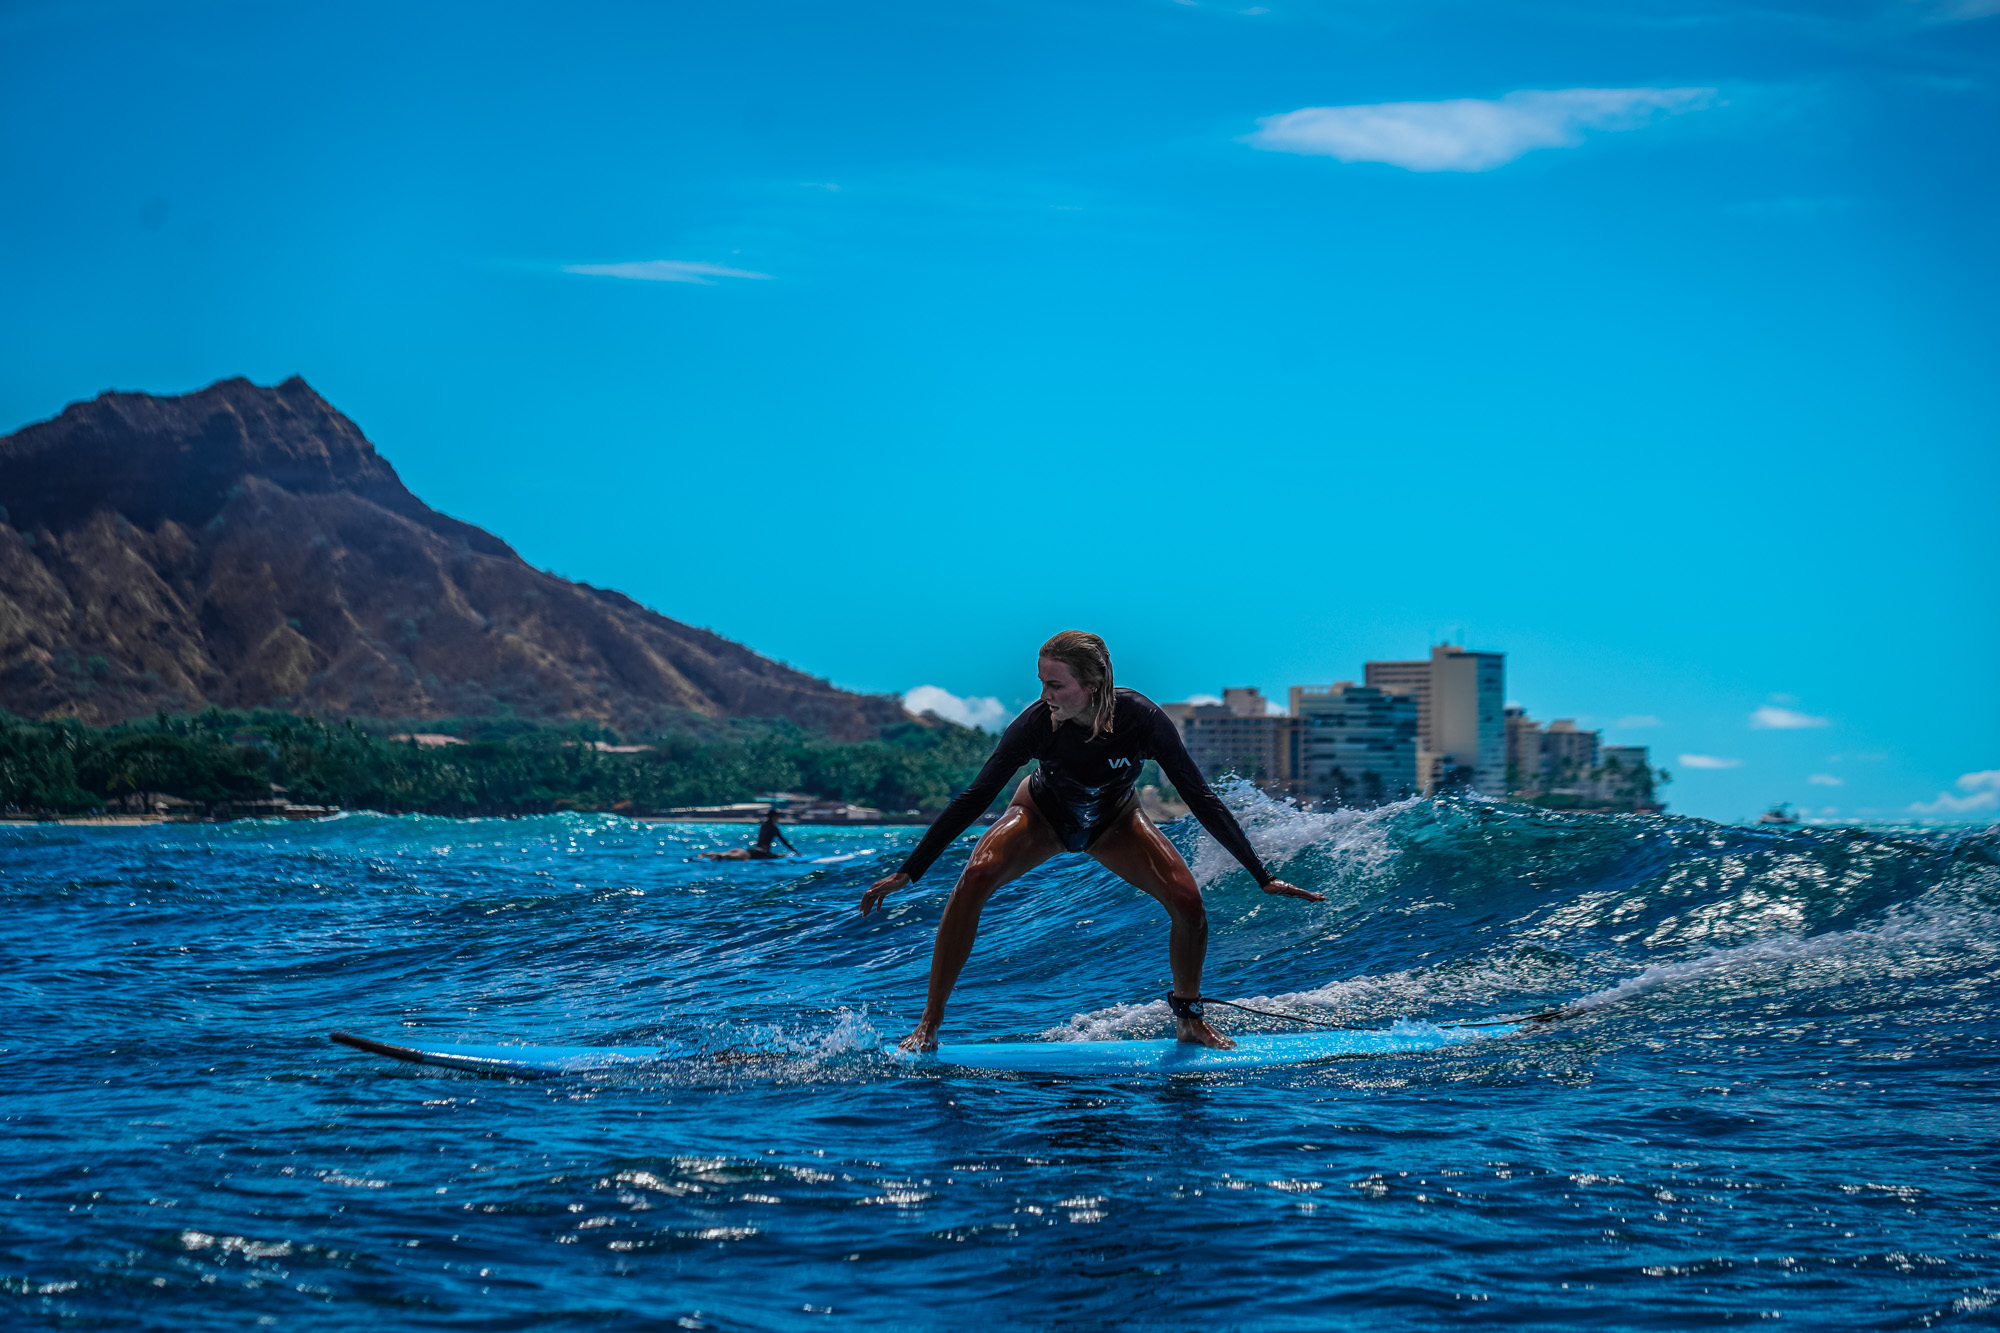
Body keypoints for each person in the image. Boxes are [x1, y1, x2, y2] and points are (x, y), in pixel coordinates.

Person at [859, 630, 1323, 1051]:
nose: (1045, 696)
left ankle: (1188, 1019)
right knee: (976, 875)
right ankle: (929, 1024)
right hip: (1040, 815)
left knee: (1187, 903)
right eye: (1041, 683)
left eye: (1055, 685)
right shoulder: (1038, 724)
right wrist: (909, 871)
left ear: (1093, 684)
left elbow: (1199, 797)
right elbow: (976, 796)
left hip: (1114, 821)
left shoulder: (1142, 720)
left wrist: (1263, 875)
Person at [700, 806, 798, 861]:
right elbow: (783, 841)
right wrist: (794, 852)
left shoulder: (763, 826)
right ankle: (718, 857)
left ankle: (707, 854)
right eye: (778, 816)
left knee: (729, 852)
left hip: (755, 850)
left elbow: (761, 843)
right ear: (773, 817)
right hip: (761, 853)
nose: (778, 818)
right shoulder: (773, 828)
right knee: (735, 856)